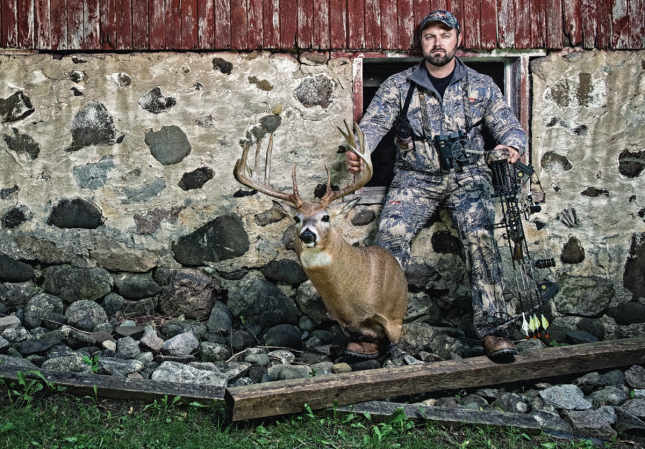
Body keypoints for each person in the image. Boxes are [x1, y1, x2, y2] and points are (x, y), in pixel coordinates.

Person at [346, 10, 527, 358]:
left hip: (469, 176)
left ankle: (494, 330)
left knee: (481, 239)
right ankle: (373, 332)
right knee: (388, 242)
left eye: (444, 35)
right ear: (421, 43)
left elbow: (510, 127)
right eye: (430, 36)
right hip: (415, 178)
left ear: (457, 39)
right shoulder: (400, 85)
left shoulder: (481, 85)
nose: (437, 43)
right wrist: (358, 153)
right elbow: (371, 127)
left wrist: (511, 146)